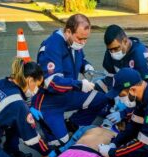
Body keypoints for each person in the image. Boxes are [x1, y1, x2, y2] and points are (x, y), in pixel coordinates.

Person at [33, 13, 108, 146]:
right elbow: (51, 82)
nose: (83, 42)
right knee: (61, 143)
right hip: (50, 102)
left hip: (68, 93)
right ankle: (47, 127)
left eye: (86, 39)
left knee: (102, 99)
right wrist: (79, 85)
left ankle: (73, 123)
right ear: (68, 32)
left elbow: (80, 58)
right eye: (80, 38)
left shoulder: (74, 43)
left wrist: (86, 66)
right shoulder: (52, 46)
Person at [95, 24, 148, 124]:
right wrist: (116, 98)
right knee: (96, 85)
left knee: (144, 116)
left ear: (125, 41)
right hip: (127, 86)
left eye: (116, 49)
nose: (113, 53)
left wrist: (124, 112)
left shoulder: (141, 57)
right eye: (110, 49)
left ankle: (129, 116)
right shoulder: (111, 52)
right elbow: (110, 77)